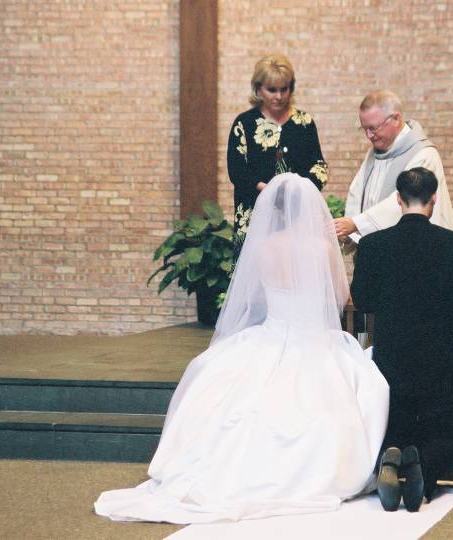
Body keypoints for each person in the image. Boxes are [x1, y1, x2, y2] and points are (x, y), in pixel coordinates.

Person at [95, 174, 388, 524]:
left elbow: (255, 294)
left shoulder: (264, 246)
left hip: (271, 332)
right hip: (312, 339)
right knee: (363, 384)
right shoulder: (322, 248)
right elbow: (339, 296)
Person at [350, 167, 453, 511]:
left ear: (398, 199)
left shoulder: (373, 245)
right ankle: (424, 464)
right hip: (438, 358)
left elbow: (363, 299)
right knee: (445, 432)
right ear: (434, 198)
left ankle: (393, 452)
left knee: (395, 420)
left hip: (391, 358)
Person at [334, 89, 453, 391]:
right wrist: (352, 225)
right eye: (364, 128)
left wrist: (357, 224)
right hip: (387, 260)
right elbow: (358, 192)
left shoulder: (423, 153)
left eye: (373, 128)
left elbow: (402, 202)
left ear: (395, 118)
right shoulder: (375, 152)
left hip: (419, 261)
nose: (369, 135)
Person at [227, 54, 328, 250]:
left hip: (297, 215)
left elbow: (319, 166)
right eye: (272, 90)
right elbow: (237, 170)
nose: (279, 96)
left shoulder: (304, 122)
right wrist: (267, 190)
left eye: (284, 89)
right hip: (255, 213)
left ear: (292, 88)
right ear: (258, 89)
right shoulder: (244, 123)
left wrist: (299, 190)